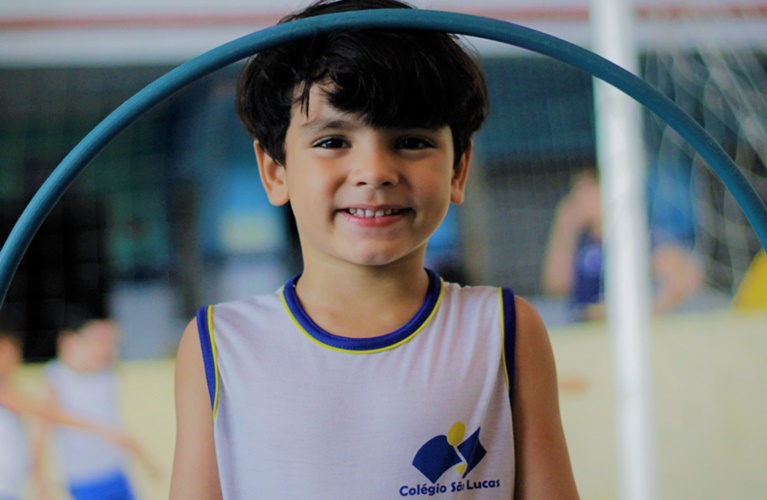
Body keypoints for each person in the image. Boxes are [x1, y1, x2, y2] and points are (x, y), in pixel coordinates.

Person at [171, 0, 578, 498]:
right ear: (275, 170)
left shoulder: (505, 330)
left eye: (411, 140)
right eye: (332, 141)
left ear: (458, 169)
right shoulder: (219, 345)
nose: (375, 171)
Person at [542, 167, 703, 321]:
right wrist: (564, 228)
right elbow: (556, 287)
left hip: (619, 333)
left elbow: (688, 277)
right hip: (585, 332)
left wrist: (647, 310)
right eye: (574, 194)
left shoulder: (636, 239)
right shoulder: (581, 244)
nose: (576, 201)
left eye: (584, 192)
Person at [0, 326, 141, 500]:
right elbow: (48, 414)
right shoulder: (53, 377)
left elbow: (32, 431)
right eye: (7, 351)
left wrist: (38, 477)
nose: (15, 357)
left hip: (12, 486)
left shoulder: (12, 386)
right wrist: (103, 430)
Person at [42, 315, 158, 500]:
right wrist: (41, 480)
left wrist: (146, 460)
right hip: (83, 476)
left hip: (115, 469)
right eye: (96, 341)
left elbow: (118, 425)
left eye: (109, 343)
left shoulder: (108, 376)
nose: (103, 348)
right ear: (69, 341)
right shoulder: (57, 377)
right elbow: (47, 422)